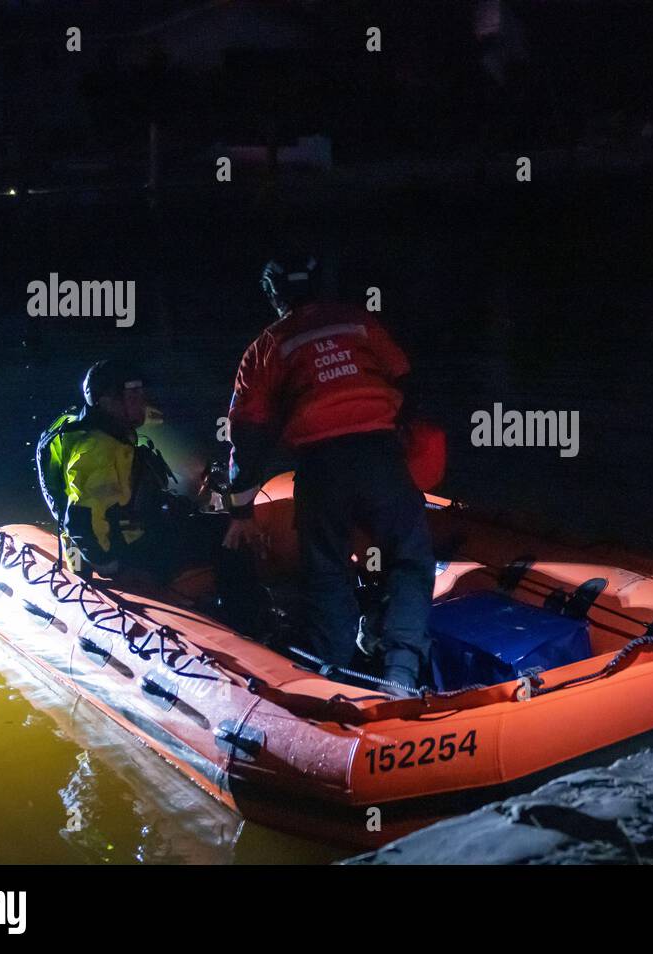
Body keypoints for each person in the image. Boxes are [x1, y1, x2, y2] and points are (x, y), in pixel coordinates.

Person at [222, 256, 436, 696]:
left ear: (274, 296)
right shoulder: (360, 324)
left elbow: (248, 434)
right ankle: (400, 675)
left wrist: (240, 506)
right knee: (410, 562)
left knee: (325, 570)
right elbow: (408, 384)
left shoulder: (267, 347)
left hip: (322, 467)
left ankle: (337, 678)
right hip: (382, 457)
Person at [36, 359, 263, 628]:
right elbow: (81, 520)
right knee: (229, 536)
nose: (141, 398)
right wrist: (116, 570)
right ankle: (249, 624)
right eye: (133, 393)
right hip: (129, 552)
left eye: (141, 391)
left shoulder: (98, 430)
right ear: (107, 400)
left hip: (129, 538)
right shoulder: (97, 451)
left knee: (194, 517)